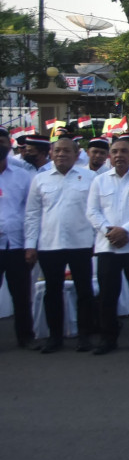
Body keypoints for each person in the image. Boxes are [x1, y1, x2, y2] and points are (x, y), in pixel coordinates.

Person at [87, 133, 129, 354]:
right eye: (115, 151)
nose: (119, 155)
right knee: (108, 295)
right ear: (110, 155)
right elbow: (92, 211)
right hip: (108, 247)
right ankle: (108, 338)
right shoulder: (99, 180)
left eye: (124, 151)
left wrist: (125, 229)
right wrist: (109, 231)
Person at [25, 137, 97, 353]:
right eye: (57, 151)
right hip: (50, 243)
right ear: (50, 153)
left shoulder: (90, 178)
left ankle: (84, 335)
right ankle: (55, 337)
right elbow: (32, 214)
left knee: (84, 291)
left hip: (82, 242)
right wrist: (30, 245)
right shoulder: (40, 180)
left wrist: (97, 240)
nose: (61, 154)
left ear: (77, 155)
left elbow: (97, 210)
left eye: (66, 151)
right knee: (52, 291)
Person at [0, 127, 34, 349]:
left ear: (8, 145)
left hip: (16, 244)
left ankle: (25, 337)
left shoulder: (22, 175)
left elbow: (31, 213)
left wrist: (31, 245)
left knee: (21, 294)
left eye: (2, 142)